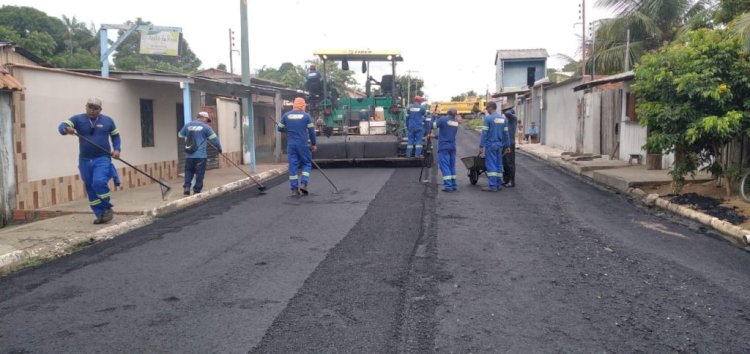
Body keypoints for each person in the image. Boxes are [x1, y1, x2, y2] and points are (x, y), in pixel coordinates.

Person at [58, 98, 121, 224]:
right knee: (90, 185)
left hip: (102, 158)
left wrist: (117, 149)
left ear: (100, 110)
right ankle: (100, 214)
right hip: (85, 160)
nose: (92, 111)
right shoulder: (78, 119)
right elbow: (62, 126)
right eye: (90, 108)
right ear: (86, 107)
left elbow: (115, 135)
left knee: (98, 182)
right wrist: (66, 129)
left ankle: (106, 207)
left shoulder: (108, 121)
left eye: (95, 109)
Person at [278, 97, 317, 196]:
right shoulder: (306, 116)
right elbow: (312, 132)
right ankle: (303, 183)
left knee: (293, 166)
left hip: (291, 145)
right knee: (307, 163)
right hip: (303, 144)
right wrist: (313, 144)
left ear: (294, 105)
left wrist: (287, 130)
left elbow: (280, 128)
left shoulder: (286, 115)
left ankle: (294, 189)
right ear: (303, 106)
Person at [178, 111, 222, 196]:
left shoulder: (188, 125)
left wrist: (191, 134)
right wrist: (219, 148)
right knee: (199, 173)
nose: (207, 121)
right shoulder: (206, 127)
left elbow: (180, 135)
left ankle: (187, 186)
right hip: (200, 156)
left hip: (189, 155)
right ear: (204, 118)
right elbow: (214, 139)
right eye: (207, 119)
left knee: (189, 171)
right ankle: (196, 190)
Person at [479, 101, 511, 192]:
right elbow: (506, 133)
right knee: (498, 164)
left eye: (487, 108)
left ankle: (492, 186)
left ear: (490, 108)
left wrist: (481, 146)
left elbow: (484, 133)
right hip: (499, 145)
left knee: (491, 164)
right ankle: (498, 184)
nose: (487, 110)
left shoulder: (488, 119)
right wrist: (508, 145)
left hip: (491, 144)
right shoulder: (503, 119)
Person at [432, 108, 460, 192]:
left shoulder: (443, 119)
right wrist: (435, 136)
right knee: (451, 165)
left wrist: (434, 116)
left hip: (444, 146)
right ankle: (453, 184)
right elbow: (447, 134)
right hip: (452, 146)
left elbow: (432, 126)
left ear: (447, 113)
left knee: (445, 166)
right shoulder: (455, 122)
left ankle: (448, 186)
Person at [501, 102, 518, 187]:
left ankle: (512, 181)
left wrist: (510, 109)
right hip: (504, 144)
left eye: (504, 111)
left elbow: (508, 113)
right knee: (504, 163)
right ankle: (506, 180)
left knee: (510, 163)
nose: (503, 112)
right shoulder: (506, 120)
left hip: (510, 144)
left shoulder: (513, 118)